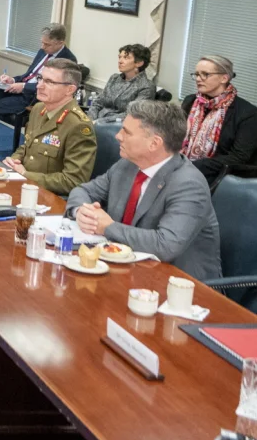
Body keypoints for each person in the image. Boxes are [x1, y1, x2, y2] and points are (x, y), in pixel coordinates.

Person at [68, 99, 221, 281]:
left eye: (127, 132)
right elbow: (83, 191)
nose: (118, 136)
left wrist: (108, 227)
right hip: (125, 269)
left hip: (180, 285)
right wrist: (81, 212)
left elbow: (166, 245)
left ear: (154, 143)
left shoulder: (188, 184)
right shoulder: (127, 165)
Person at [0, 23, 76, 143]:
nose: (42, 47)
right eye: (42, 42)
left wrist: (24, 87)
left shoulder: (68, 61)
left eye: (46, 44)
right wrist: (13, 80)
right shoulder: (43, 52)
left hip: (33, 98)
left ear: (60, 43)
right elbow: (29, 75)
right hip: (20, 89)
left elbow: (53, 87)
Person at [2, 58, 96, 196]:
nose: (39, 85)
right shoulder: (39, 109)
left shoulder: (78, 125)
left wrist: (25, 174)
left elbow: (73, 181)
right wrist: (14, 161)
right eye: (40, 79)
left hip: (49, 197)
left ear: (70, 89)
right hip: (24, 186)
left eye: (49, 82)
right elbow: (28, 146)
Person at [180, 55, 257, 186]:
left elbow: (238, 157)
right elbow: (175, 134)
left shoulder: (248, 113)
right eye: (197, 74)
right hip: (182, 166)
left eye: (205, 74)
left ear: (224, 78)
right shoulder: (190, 101)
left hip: (219, 177)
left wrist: (192, 167)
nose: (198, 79)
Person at [88, 44, 156, 122]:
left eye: (126, 58)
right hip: (96, 121)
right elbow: (98, 103)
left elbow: (132, 114)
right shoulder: (114, 78)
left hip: (117, 126)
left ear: (139, 63)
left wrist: (99, 122)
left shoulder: (146, 86)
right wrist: (90, 119)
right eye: (119, 57)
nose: (120, 61)